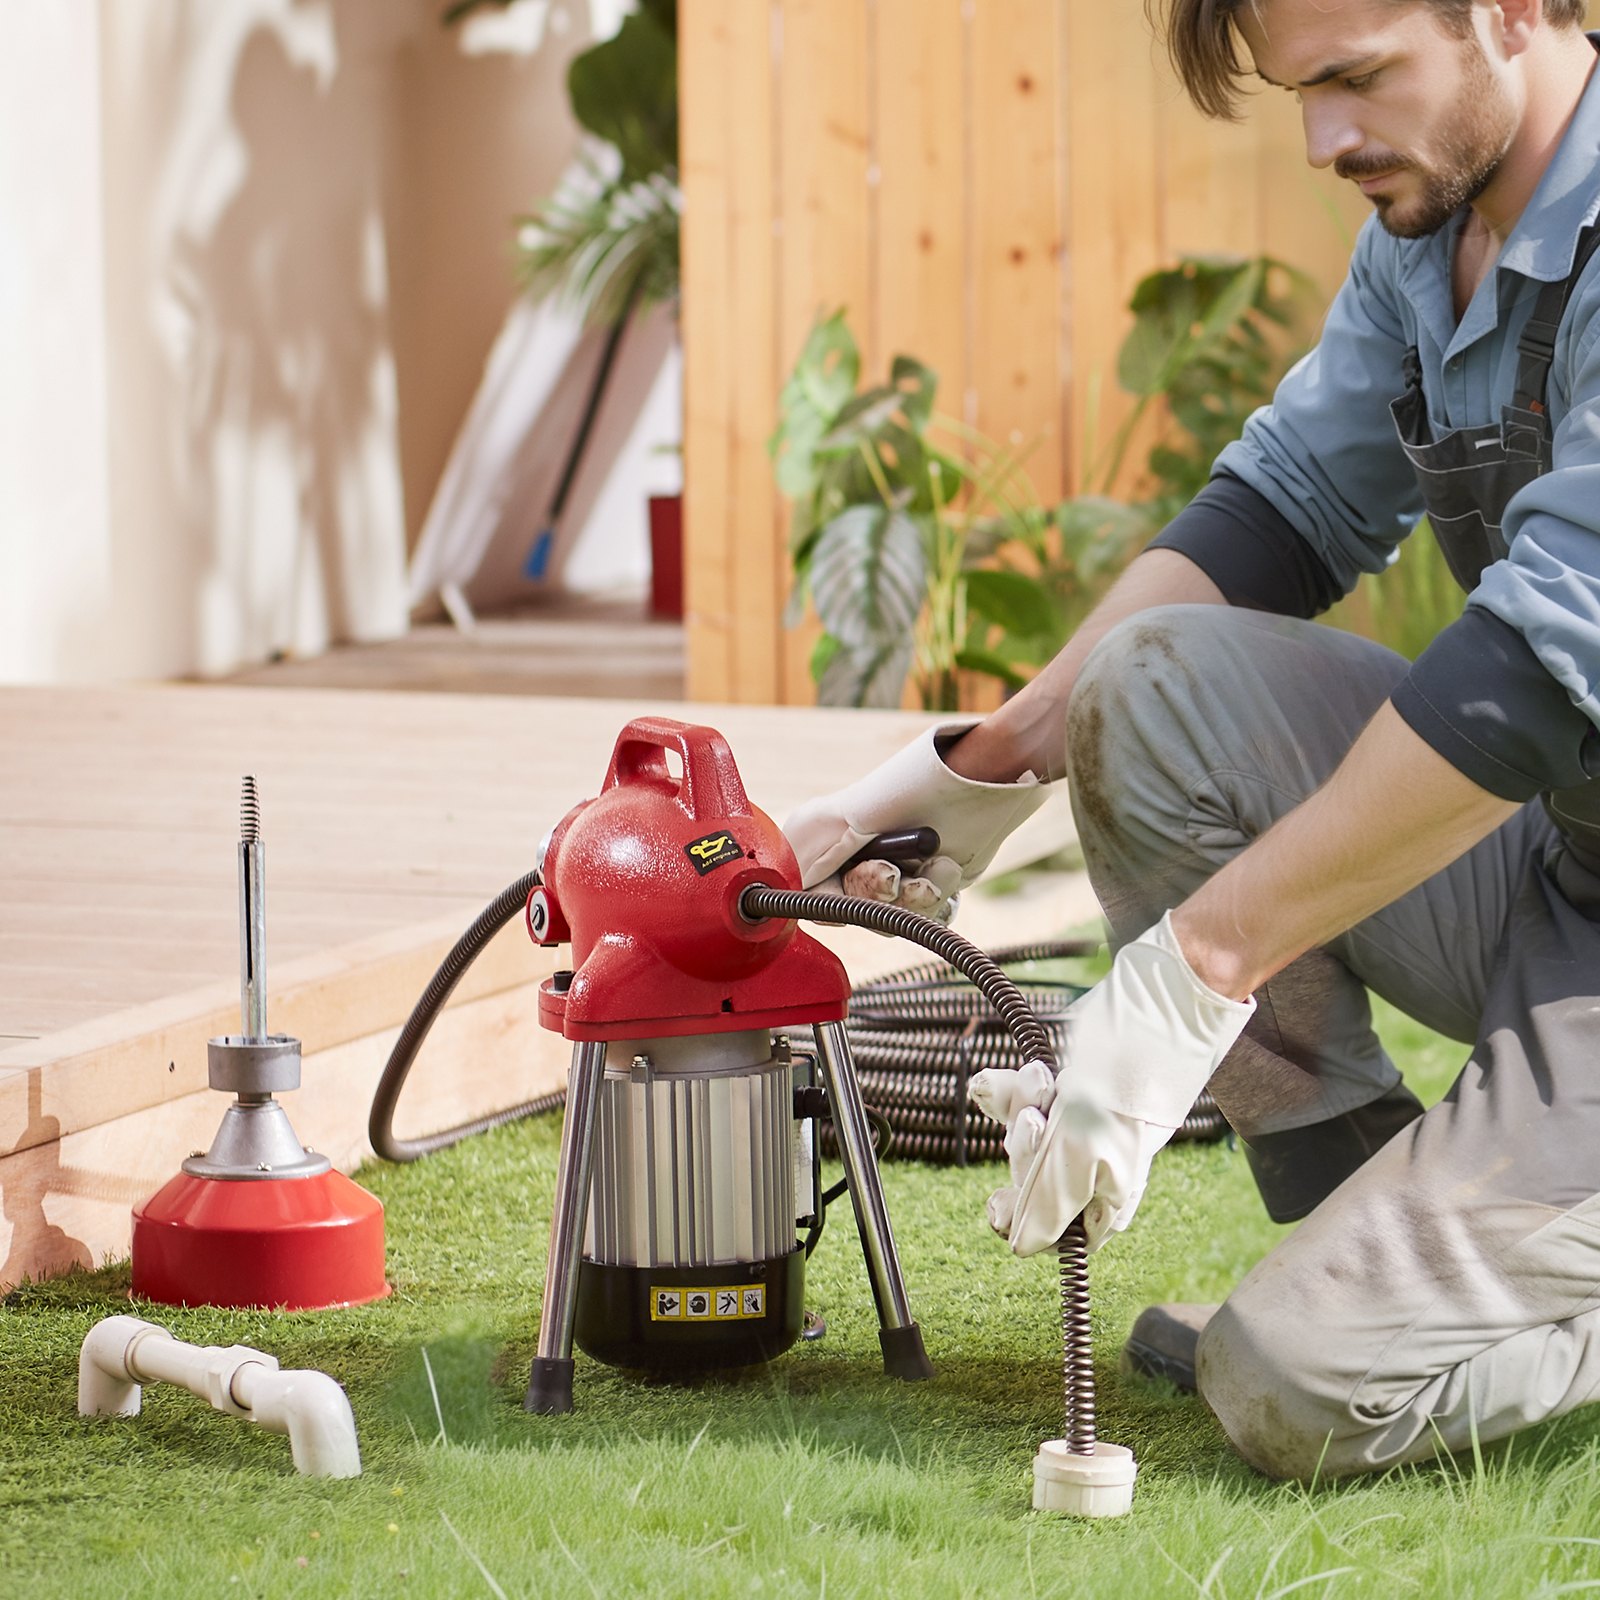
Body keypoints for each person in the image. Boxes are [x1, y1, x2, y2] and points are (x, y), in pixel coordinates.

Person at [783, 0, 1600, 1482]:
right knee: (1145, 687)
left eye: (1355, 80)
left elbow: (1544, 668)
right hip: (1565, 863)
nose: (1321, 141)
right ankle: (1369, 1223)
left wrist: (1196, 969)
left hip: (1557, 818)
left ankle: (1376, 1310)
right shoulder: (1431, 231)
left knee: (1296, 1384)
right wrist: (985, 766)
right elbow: (1287, 504)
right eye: (1301, 93)